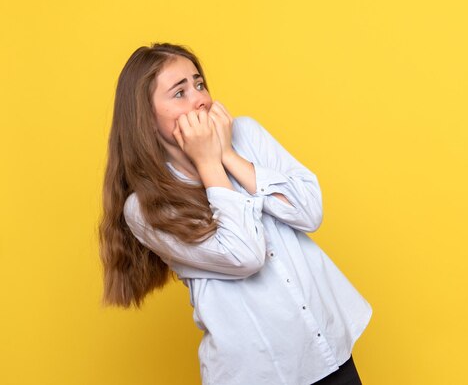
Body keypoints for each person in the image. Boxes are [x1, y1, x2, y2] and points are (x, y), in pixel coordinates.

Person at [98, 42, 373, 385]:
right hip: (259, 373)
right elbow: (245, 255)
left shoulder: (247, 134)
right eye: (179, 93)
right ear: (147, 120)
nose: (199, 98)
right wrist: (209, 161)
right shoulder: (144, 207)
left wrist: (228, 154)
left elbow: (309, 211)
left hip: (326, 349)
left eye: (199, 84)